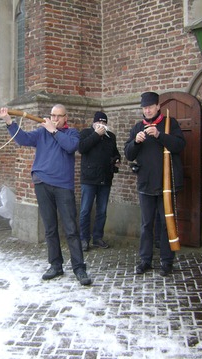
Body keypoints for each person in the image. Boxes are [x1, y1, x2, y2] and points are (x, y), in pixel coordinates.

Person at [0, 105, 92, 286]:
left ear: (66, 117)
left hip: (63, 186)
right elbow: (23, 139)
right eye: (52, 116)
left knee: (71, 229)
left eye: (58, 116)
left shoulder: (72, 133)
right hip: (42, 183)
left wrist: (54, 131)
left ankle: (79, 268)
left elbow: (71, 147)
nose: (54, 119)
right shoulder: (41, 133)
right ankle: (55, 265)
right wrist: (9, 121)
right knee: (50, 228)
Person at [124, 92, 186, 276]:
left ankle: (167, 261)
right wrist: (135, 142)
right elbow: (128, 154)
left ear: (158, 106)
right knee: (146, 224)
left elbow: (180, 145)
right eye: (145, 107)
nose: (148, 110)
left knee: (166, 224)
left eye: (151, 106)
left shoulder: (169, 123)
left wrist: (159, 135)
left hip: (167, 184)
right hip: (146, 183)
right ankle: (145, 260)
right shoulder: (137, 127)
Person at [78, 111, 121, 251]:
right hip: (89, 179)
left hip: (105, 178)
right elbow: (82, 148)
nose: (102, 125)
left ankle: (97, 238)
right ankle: (84, 239)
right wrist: (96, 135)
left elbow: (115, 152)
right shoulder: (86, 133)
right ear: (94, 122)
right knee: (85, 210)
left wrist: (117, 159)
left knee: (102, 211)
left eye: (104, 123)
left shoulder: (111, 137)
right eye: (99, 122)